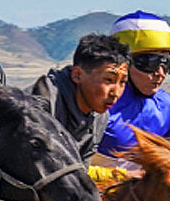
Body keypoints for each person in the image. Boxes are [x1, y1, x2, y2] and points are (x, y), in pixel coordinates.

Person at [30, 33, 131, 184]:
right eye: (108, 80)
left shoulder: (100, 117)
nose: (116, 92)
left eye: (122, 82)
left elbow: (81, 171)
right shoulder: (42, 104)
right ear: (77, 75)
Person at [96, 11, 170, 159]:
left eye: (166, 64)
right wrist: (121, 175)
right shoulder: (97, 107)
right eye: (150, 63)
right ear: (124, 63)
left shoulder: (168, 105)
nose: (160, 73)